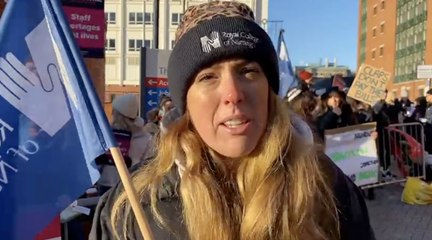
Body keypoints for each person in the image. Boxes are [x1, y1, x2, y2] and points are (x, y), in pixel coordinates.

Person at [90, 2, 374, 240]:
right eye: (208, 77)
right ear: (185, 102)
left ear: (269, 90)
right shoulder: (132, 206)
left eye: (248, 71)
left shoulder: (327, 188)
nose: (233, 94)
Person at [95, 94, 154, 195]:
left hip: (107, 185)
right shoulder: (146, 137)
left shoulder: (107, 135)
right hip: (133, 186)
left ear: (116, 114)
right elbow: (148, 165)